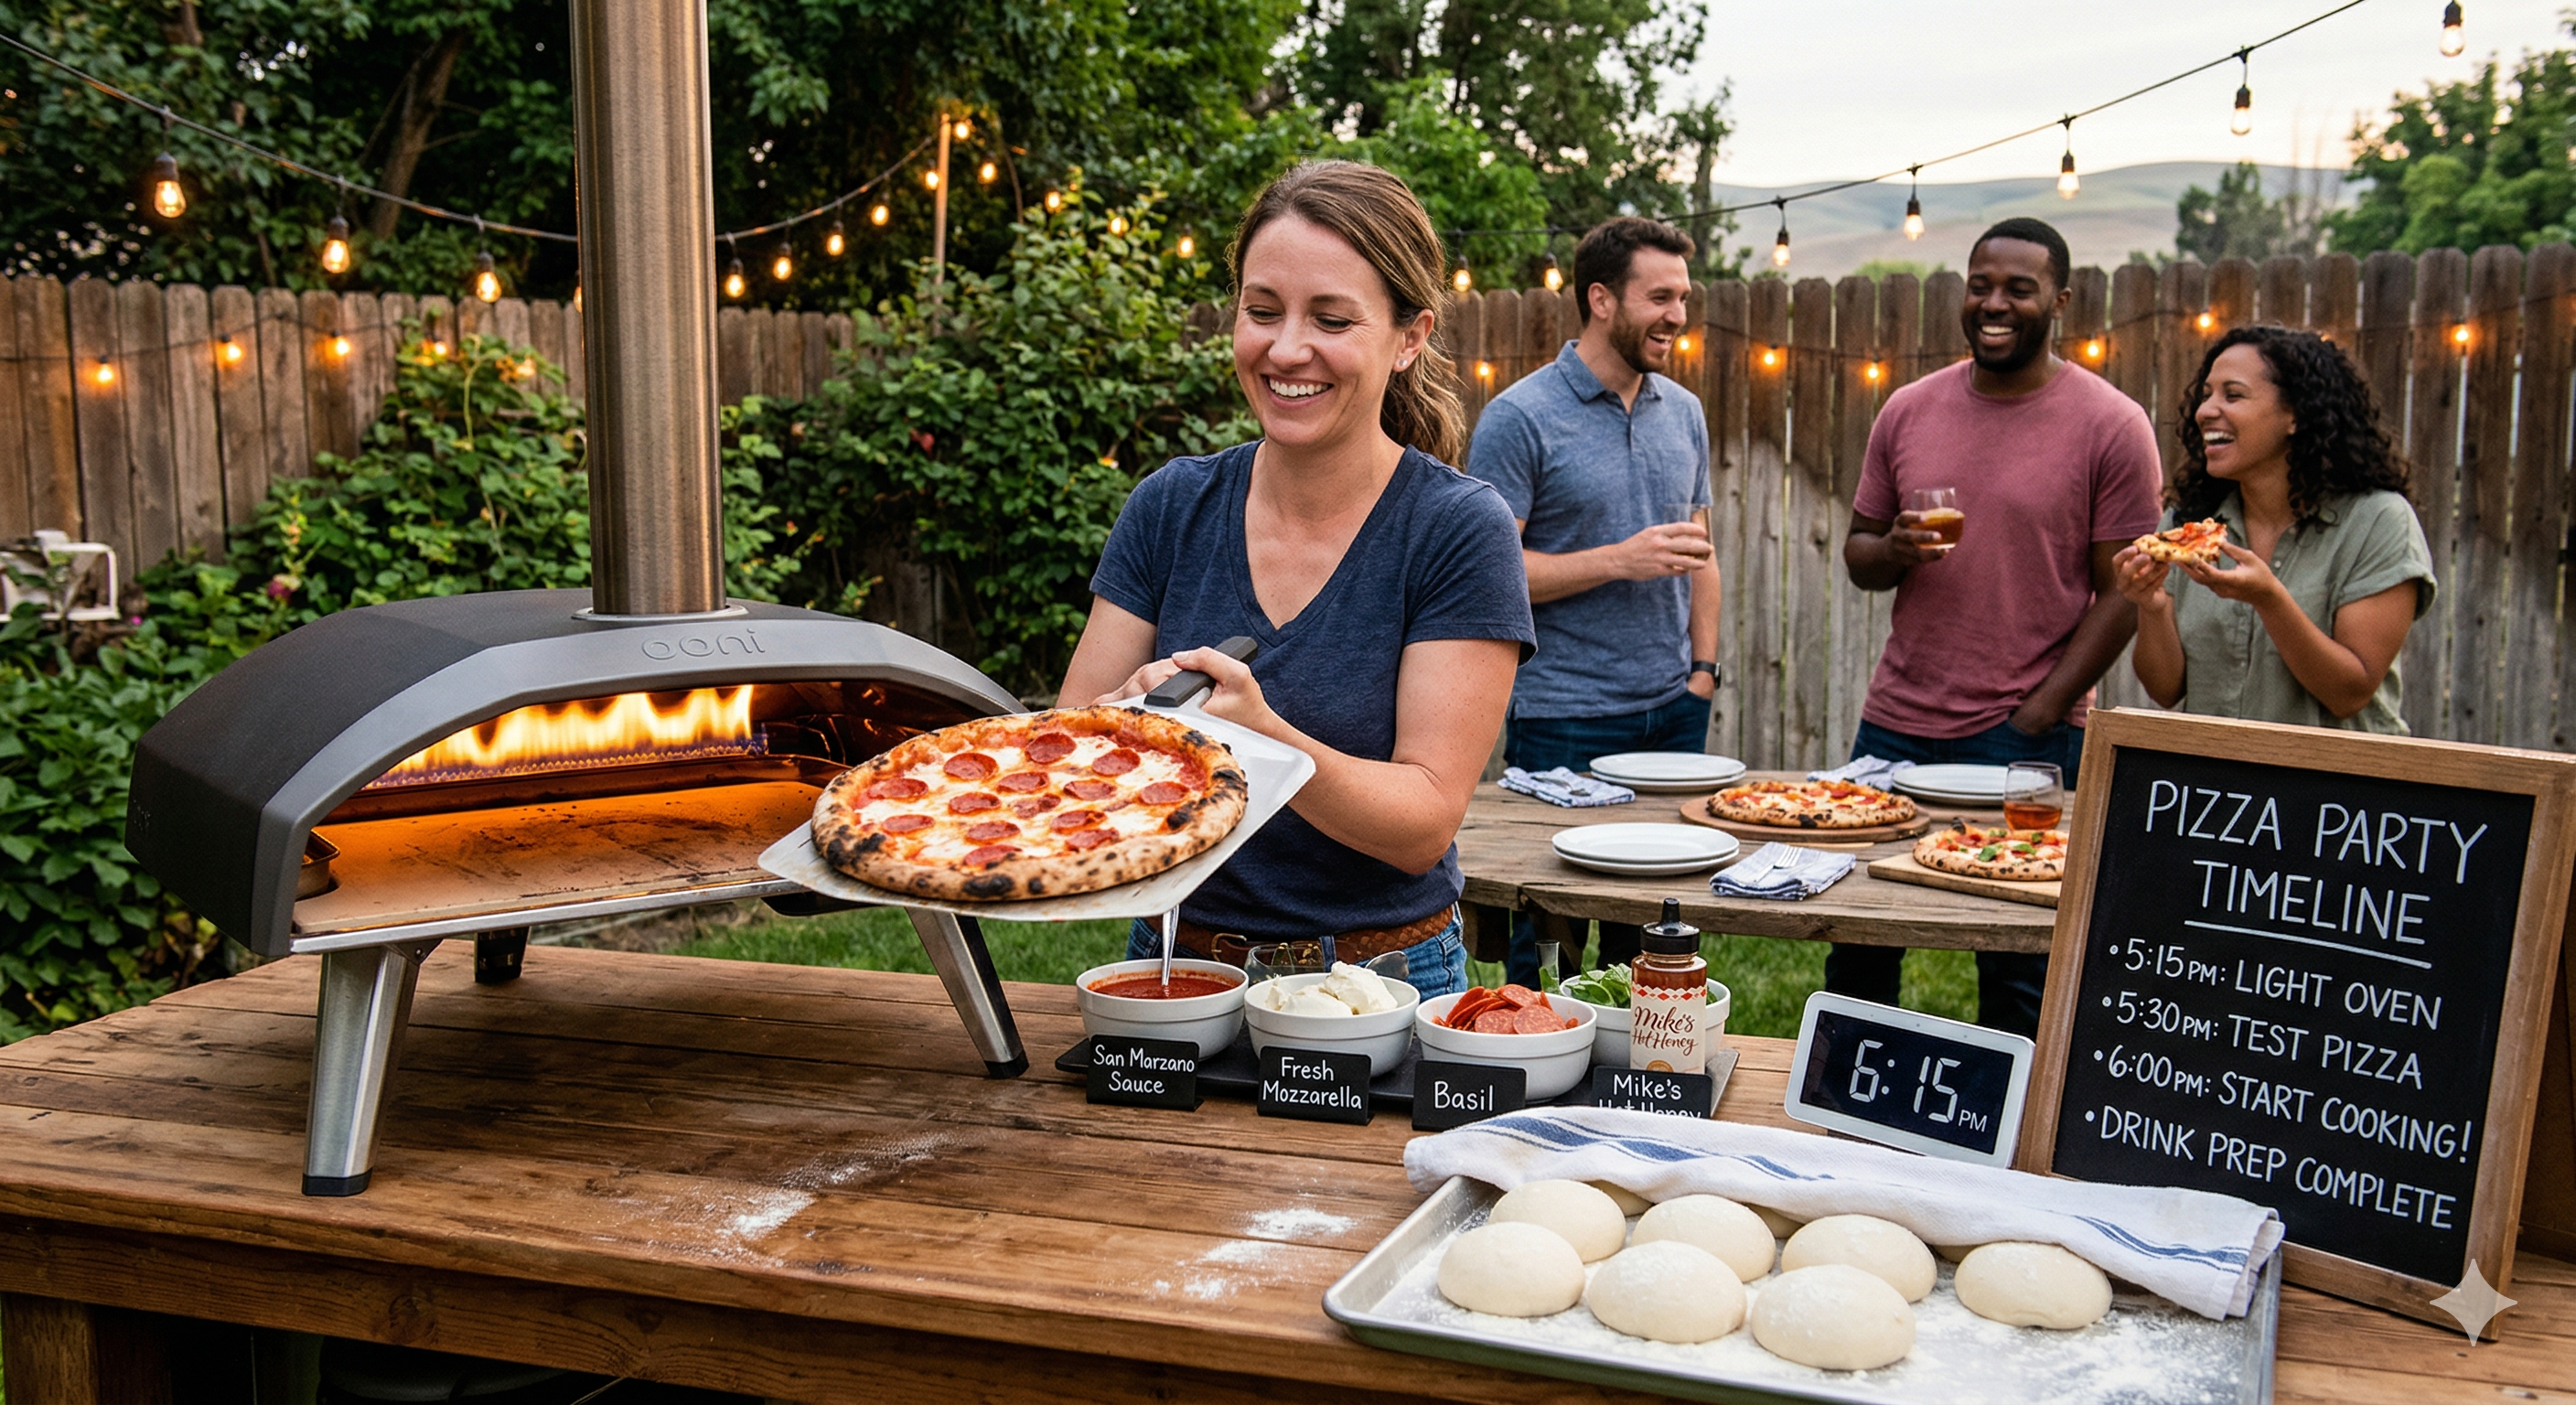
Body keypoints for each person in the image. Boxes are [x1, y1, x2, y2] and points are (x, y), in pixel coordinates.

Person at [1057, 160, 1536, 997]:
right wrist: (1129, 725)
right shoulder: (1172, 505)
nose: (1285, 350)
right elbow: (1066, 759)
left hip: (1380, 983)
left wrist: (1258, 736)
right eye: (1261, 311)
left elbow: (1422, 825)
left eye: (1332, 319)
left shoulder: (1457, 528)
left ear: (1409, 337)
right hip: (1172, 963)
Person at [1834, 217, 2162, 1036]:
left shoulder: (2112, 425)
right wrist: (1897, 549)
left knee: (2020, 956)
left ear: (2061, 300)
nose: (1994, 303)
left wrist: (2043, 712)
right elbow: (1859, 556)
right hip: (1897, 722)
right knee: (1859, 938)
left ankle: (2009, 1152)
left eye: (2019, 288)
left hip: (2028, 741)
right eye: (1980, 284)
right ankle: (1842, 1118)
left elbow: (2123, 592)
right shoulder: (1909, 409)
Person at [1465, 217, 1719, 986]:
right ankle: (1526, 1055)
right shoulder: (1520, 416)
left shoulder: (1684, 411)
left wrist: (1703, 674)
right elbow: (1491, 578)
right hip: (1563, 712)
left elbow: (1700, 553)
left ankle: (1643, 1068)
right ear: (1602, 299)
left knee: (1657, 921)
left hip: (1672, 710)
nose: (1678, 315)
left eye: (1683, 297)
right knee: (1551, 924)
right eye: (1660, 296)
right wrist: (1619, 560)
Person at [2116, 326, 2433, 730]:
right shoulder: (2189, 523)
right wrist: (2153, 606)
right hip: (2222, 785)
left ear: (2296, 415)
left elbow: (2349, 693)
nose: (2205, 410)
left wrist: (2270, 599)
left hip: (2335, 787)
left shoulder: (2378, 522)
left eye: (2233, 395)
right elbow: (2166, 689)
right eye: (2207, 394)